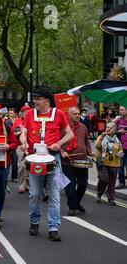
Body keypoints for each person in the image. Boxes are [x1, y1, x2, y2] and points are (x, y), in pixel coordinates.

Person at [19, 87, 74, 242]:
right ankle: (35, 222)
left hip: (54, 160)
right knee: (35, 194)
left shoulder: (59, 114)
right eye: (34, 98)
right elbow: (23, 132)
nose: (35, 101)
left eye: (38, 98)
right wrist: (23, 142)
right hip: (35, 159)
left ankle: (53, 227)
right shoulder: (30, 114)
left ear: (47, 101)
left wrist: (59, 143)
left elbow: (70, 134)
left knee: (55, 195)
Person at [60, 107, 93, 215]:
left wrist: (89, 151)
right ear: (69, 115)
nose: (77, 115)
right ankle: (72, 207)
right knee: (70, 185)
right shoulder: (63, 128)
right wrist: (61, 151)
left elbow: (86, 141)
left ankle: (76, 202)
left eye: (78, 114)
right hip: (67, 161)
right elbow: (56, 142)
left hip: (82, 160)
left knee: (83, 183)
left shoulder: (83, 127)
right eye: (75, 114)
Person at [95, 122, 124, 206]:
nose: (108, 129)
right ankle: (99, 193)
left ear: (114, 130)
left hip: (114, 163)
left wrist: (120, 153)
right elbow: (97, 146)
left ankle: (111, 198)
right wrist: (101, 138)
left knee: (112, 182)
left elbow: (120, 149)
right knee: (104, 180)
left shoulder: (117, 140)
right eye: (107, 127)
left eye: (110, 128)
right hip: (103, 162)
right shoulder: (102, 137)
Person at [14, 105, 30, 193]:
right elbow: (14, 133)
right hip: (20, 146)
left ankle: (28, 183)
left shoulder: (31, 121)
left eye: (28, 112)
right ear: (22, 113)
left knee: (29, 167)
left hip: (30, 146)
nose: (27, 114)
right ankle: (22, 185)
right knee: (21, 165)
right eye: (26, 112)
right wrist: (20, 132)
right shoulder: (17, 121)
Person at [114, 105, 127, 189]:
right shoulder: (118, 120)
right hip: (120, 147)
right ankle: (121, 182)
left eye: (122, 110)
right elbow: (110, 130)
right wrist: (119, 131)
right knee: (120, 165)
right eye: (120, 110)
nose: (120, 112)